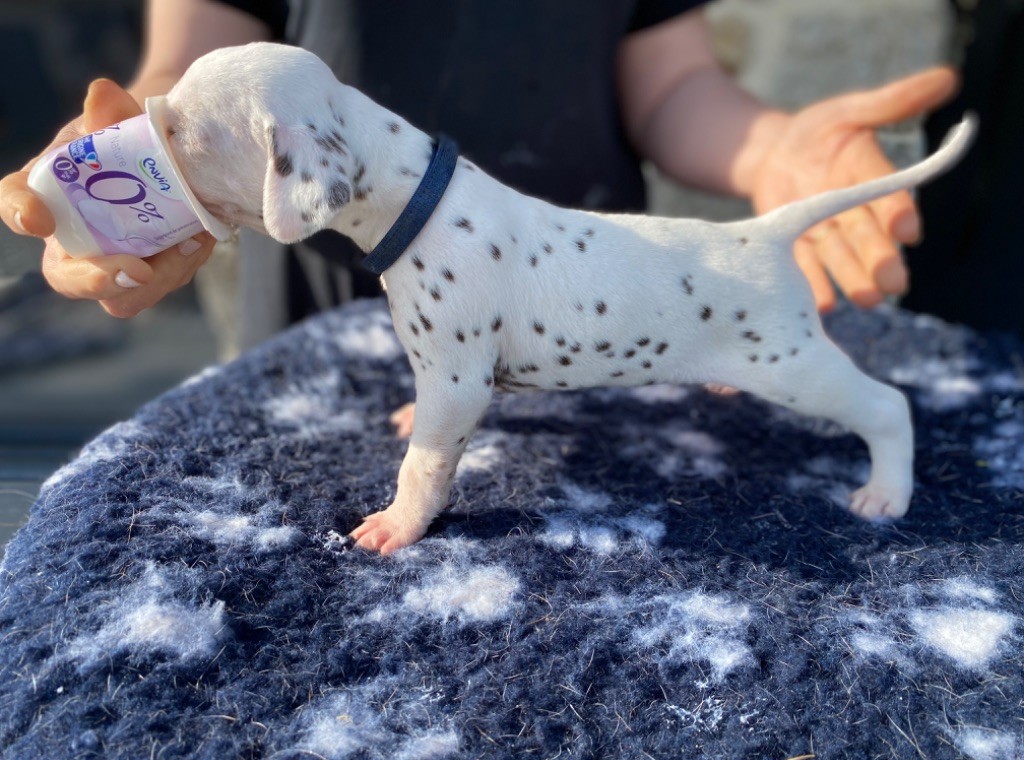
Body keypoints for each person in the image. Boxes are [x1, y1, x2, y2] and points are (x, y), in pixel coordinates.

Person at [0, 0, 957, 347]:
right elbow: (187, 70)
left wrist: (773, 147)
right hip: (331, 318)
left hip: (576, 299)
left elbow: (672, 87)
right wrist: (123, 168)